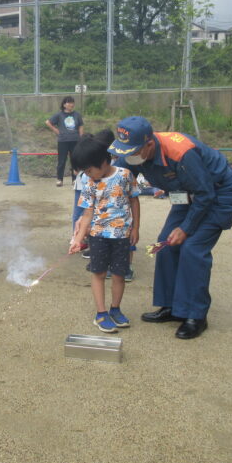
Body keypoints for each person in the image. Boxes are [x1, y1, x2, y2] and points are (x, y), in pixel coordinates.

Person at [109, 116, 232, 340]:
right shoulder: (134, 153)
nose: (127, 156)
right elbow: (115, 180)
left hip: (217, 194)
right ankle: (171, 307)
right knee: (164, 244)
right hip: (184, 195)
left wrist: (186, 228)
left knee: (192, 248)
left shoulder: (181, 153)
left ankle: (195, 315)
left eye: (131, 151)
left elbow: (205, 193)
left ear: (149, 145)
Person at [69, 133, 140, 333]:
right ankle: (101, 313)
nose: (88, 174)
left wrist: (135, 227)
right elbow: (87, 212)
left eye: (89, 169)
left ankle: (115, 309)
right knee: (98, 273)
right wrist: (78, 238)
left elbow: (134, 200)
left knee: (119, 274)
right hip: (98, 235)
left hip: (122, 235)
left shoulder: (125, 175)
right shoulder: (89, 182)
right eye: (85, 171)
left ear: (103, 161)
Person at [45, 96, 84, 186]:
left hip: (75, 140)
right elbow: (48, 122)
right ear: (64, 104)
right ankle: (59, 179)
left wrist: (82, 138)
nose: (71, 104)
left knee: (75, 160)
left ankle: (75, 179)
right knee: (61, 160)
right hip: (63, 141)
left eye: (72, 102)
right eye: (69, 102)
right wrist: (56, 131)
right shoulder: (59, 115)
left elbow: (81, 126)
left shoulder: (77, 115)